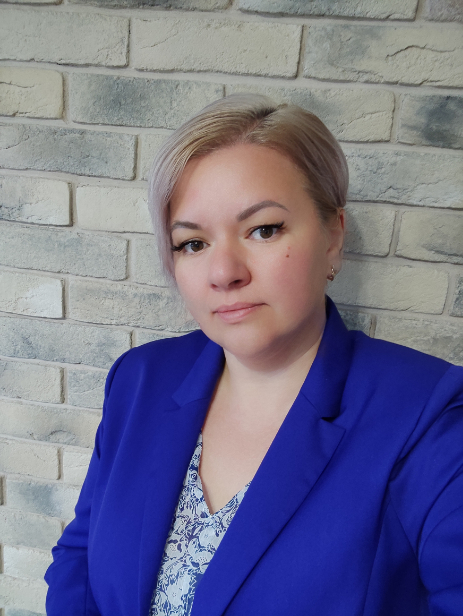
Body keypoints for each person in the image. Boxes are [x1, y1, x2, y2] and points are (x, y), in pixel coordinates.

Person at [45, 94, 463, 616]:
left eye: (263, 229)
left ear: (333, 236)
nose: (224, 273)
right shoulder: (140, 379)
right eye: (193, 243)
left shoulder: (429, 419)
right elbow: (81, 557)